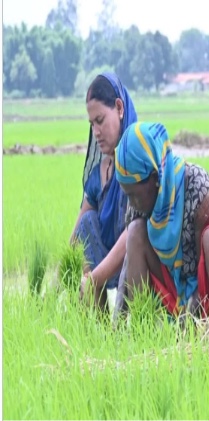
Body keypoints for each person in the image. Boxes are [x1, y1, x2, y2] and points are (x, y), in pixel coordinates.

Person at [113, 121, 209, 320]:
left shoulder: (196, 186)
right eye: (127, 195)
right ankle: (144, 325)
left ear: (155, 177)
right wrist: (117, 326)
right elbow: (129, 263)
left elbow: (207, 267)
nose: (132, 203)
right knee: (135, 231)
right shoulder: (138, 201)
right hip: (175, 281)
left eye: (134, 195)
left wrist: (187, 324)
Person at [70, 72, 137, 312]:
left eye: (100, 120)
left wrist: (95, 278)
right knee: (87, 221)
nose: (96, 131)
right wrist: (62, 274)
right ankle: (99, 326)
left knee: (138, 232)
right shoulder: (100, 172)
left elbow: (134, 231)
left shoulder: (139, 161)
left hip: (137, 260)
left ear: (119, 108)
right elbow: (78, 230)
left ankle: (130, 321)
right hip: (106, 259)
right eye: (92, 124)